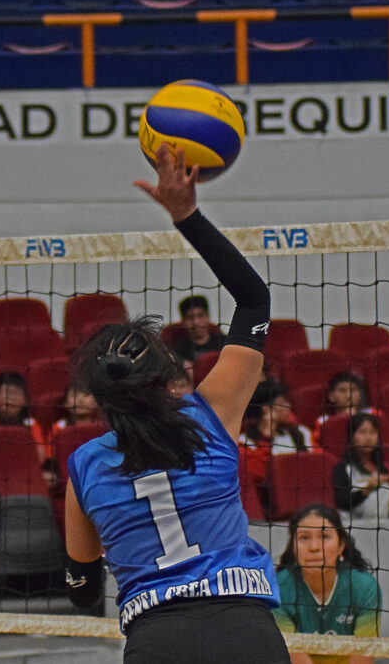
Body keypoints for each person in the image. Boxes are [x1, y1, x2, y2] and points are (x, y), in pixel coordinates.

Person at [63, 143, 288, 663]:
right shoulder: (211, 417)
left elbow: (83, 590)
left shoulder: (85, 467)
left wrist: (94, 566)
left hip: (158, 642)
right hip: (245, 631)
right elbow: (253, 300)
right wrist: (186, 215)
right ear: (169, 378)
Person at [274, 504, 381, 664]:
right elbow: (293, 658)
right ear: (293, 548)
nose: (314, 547)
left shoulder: (364, 588)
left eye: (324, 536)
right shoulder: (279, 588)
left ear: (341, 546)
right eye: (304, 537)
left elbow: (362, 660)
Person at [238, 379, 315, 488]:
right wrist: (266, 436)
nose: (288, 406)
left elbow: (316, 463)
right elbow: (259, 475)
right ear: (266, 409)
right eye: (282, 403)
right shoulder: (245, 441)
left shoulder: (300, 432)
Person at [0, 371, 48, 465]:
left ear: (25, 401)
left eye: (16, 393)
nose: (11, 398)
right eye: (6, 393)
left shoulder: (31, 424)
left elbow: (40, 457)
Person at [331, 413, 389, 521]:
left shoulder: (383, 468)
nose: (368, 438)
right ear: (352, 437)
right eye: (362, 432)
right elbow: (342, 502)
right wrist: (367, 489)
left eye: (373, 432)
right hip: (354, 524)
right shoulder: (342, 468)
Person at [312, 372, 378, 446]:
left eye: (353, 390)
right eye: (342, 391)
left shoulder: (373, 414)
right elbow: (317, 449)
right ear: (331, 396)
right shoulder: (323, 421)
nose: (348, 396)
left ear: (360, 394)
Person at [171, 295, 226, 361]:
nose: (196, 322)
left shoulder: (224, 343)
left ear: (207, 317)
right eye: (190, 317)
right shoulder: (178, 350)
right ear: (183, 321)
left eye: (200, 316)